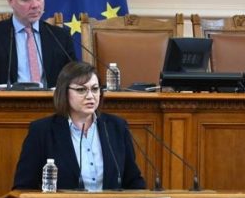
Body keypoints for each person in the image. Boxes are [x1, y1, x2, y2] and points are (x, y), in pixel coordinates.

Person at [13, 61, 146, 190]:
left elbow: (133, 181)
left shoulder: (116, 127)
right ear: (64, 92)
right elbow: (23, 187)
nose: (90, 96)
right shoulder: (42, 131)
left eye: (95, 89)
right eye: (81, 90)